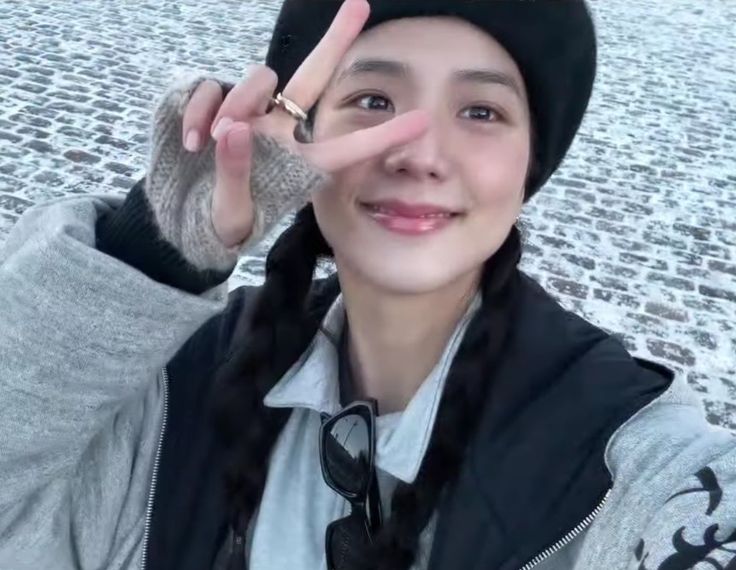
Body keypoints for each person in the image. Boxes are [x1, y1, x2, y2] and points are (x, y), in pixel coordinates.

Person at [1, 0, 734, 569]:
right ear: (303, 146)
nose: (420, 154)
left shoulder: (616, 451)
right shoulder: (172, 393)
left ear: (528, 167)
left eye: (481, 112)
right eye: (375, 102)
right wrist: (156, 247)